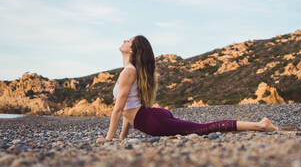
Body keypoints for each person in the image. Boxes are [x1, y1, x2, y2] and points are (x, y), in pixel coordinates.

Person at [96, 35, 278, 143]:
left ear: (133, 50)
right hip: (151, 116)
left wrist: (109, 139)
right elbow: (128, 108)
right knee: (198, 128)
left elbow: (119, 109)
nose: (125, 40)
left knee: (203, 129)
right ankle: (260, 125)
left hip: (152, 121)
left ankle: (261, 125)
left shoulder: (128, 73)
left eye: (130, 40)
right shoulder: (129, 72)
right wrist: (121, 137)